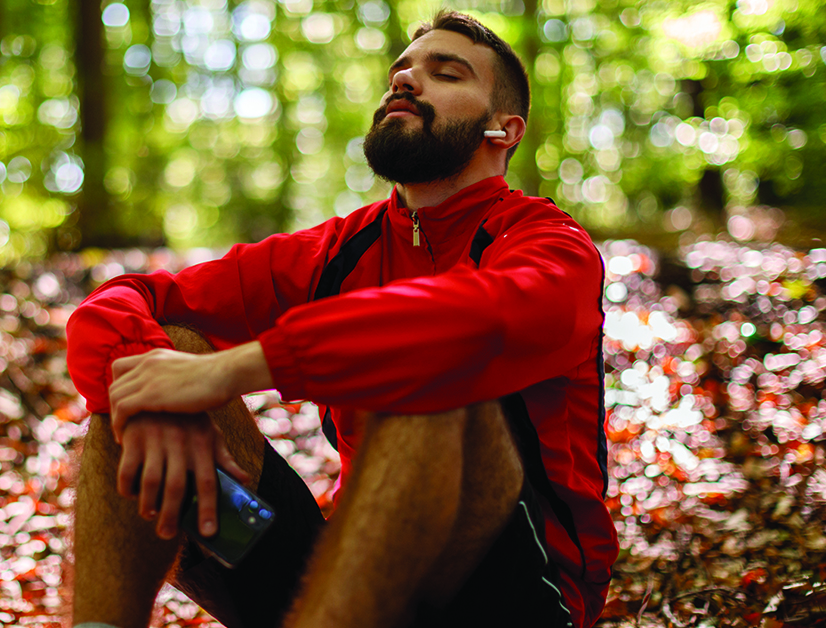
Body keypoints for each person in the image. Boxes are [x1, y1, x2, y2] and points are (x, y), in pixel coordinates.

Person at [65, 10, 617, 628]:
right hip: (336, 588)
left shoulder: (547, 241)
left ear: (503, 128)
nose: (405, 81)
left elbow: (477, 324)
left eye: (445, 73)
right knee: (156, 356)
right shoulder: (337, 251)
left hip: (512, 597)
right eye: (402, 71)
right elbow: (123, 298)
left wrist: (240, 367)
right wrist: (160, 398)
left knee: (436, 376)